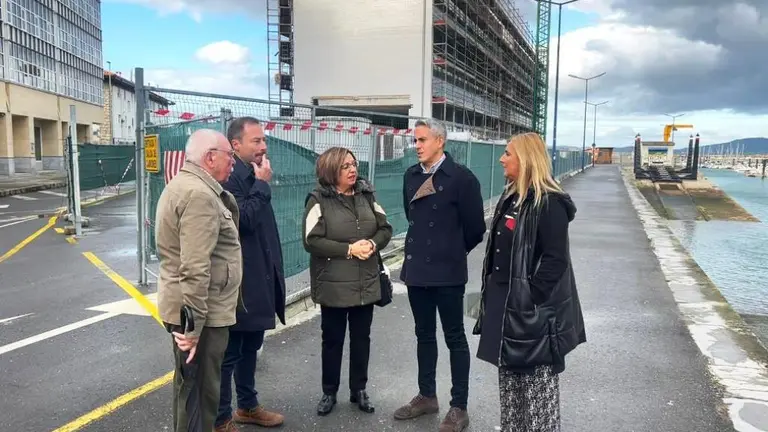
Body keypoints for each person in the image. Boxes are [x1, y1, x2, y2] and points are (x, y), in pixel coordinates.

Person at [472, 132, 586, 432]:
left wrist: (529, 297)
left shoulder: (549, 203)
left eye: (507, 153)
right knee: (511, 393)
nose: (501, 158)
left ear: (524, 159)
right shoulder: (512, 197)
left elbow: (555, 260)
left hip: (533, 315)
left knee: (538, 400)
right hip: (504, 307)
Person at [395, 119, 486, 432]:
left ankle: (458, 407)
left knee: (455, 338)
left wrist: (450, 249)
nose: (416, 145)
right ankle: (427, 395)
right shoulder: (411, 176)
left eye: (422, 140)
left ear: (440, 141)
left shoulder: (462, 179)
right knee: (423, 334)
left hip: (447, 272)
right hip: (418, 269)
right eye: (415, 140)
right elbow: (413, 217)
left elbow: (476, 228)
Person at [155, 129, 242, 432]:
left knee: (191, 392)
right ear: (210, 157)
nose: (233, 162)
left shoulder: (186, 186)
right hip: (199, 315)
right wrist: (193, 329)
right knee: (200, 398)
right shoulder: (199, 195)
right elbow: (194, 267)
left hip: (194, 311)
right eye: (230, 155)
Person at [302, 147, 393, 417]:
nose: (353, 170)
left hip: (365, 282)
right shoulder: (317, 199)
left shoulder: (367, 195)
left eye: (353, 164)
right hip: (333, 284)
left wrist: (373, 244)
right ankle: (329, 391)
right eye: (345, 166)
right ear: (331, 171)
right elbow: (311, 240)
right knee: (332, 340)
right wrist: (349, 249)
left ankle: (359, 390)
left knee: (361, 338)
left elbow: (385, 228)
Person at [214, 117, 286, 431]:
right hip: (240, 284)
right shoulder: (230, 180)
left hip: (260, 277)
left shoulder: (253, 175)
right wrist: (262, 185)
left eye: (263, 140)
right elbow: (244, 219)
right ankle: (220, 418)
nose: (263, 146)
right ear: (235, 144)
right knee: (230, 352)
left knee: (249, 346)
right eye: (256, 141)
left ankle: (247, 405)